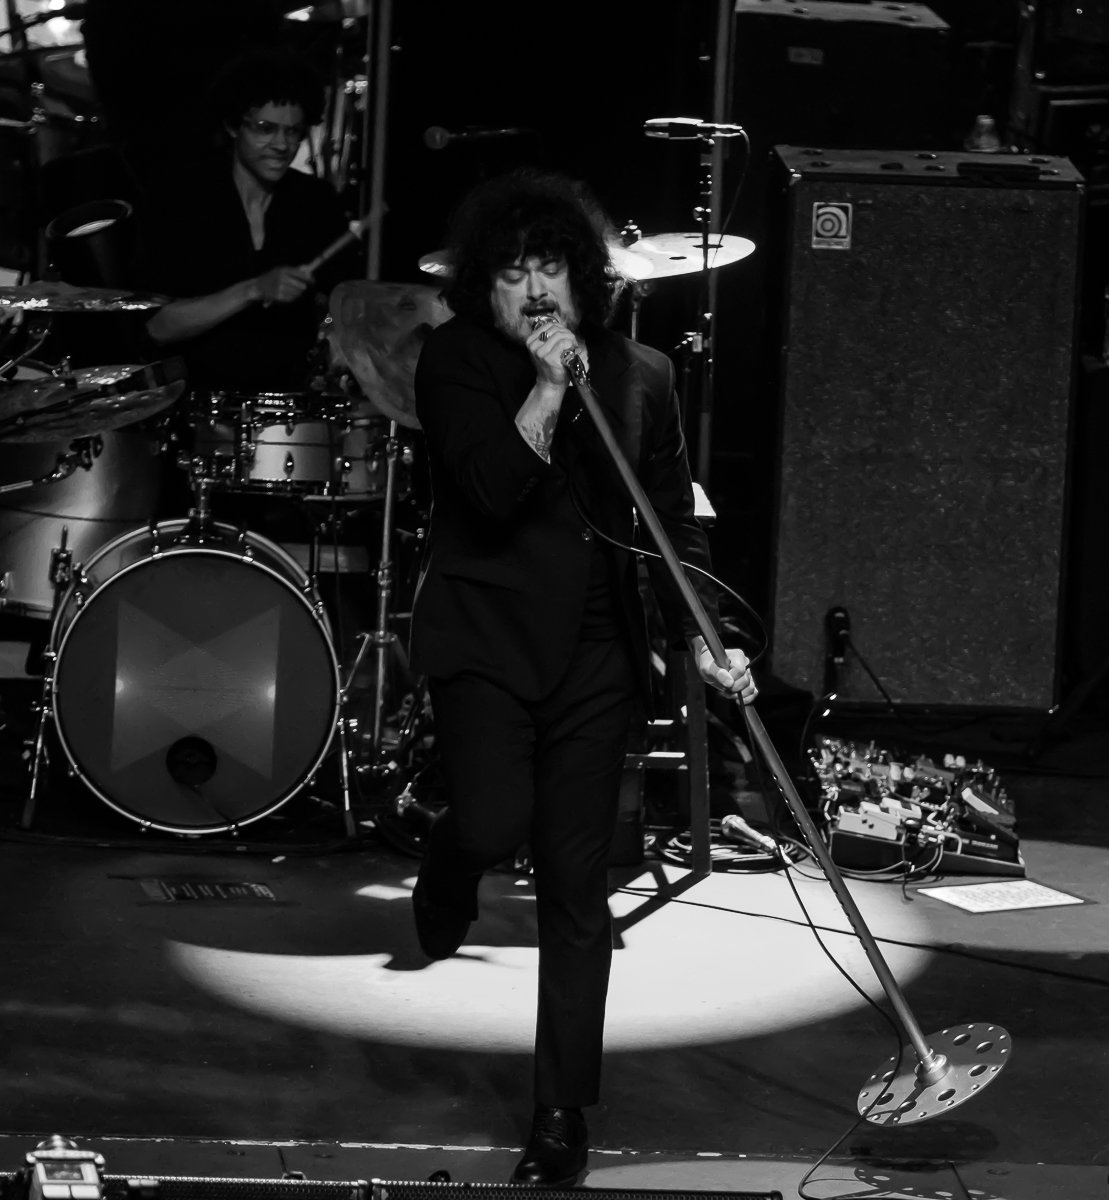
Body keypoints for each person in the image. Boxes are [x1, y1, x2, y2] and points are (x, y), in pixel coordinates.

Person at [409, 170, 758, 1187]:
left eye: (549, 268)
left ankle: (560, 1114)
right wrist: (549, 387)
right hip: (487, 642)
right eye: (511, 272)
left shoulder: (643, 373)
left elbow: (670, 522)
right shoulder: (455, 360)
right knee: (491, 822)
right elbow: (488, 490)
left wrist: (706, 637)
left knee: (575, 883)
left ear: (582, 278)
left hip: (598, 657)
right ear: (483, 285)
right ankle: (452, 857)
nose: (533, 291)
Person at [140, 47, 359, 393]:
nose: (282, 145)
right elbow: (158, 328)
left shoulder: (315, 200)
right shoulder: (184, 199)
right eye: (265, 128)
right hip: (196, 399)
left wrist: (334, 332)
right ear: (232, 126)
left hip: (291, 400)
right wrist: (254, 289)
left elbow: (349, 301)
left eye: (293, 132)